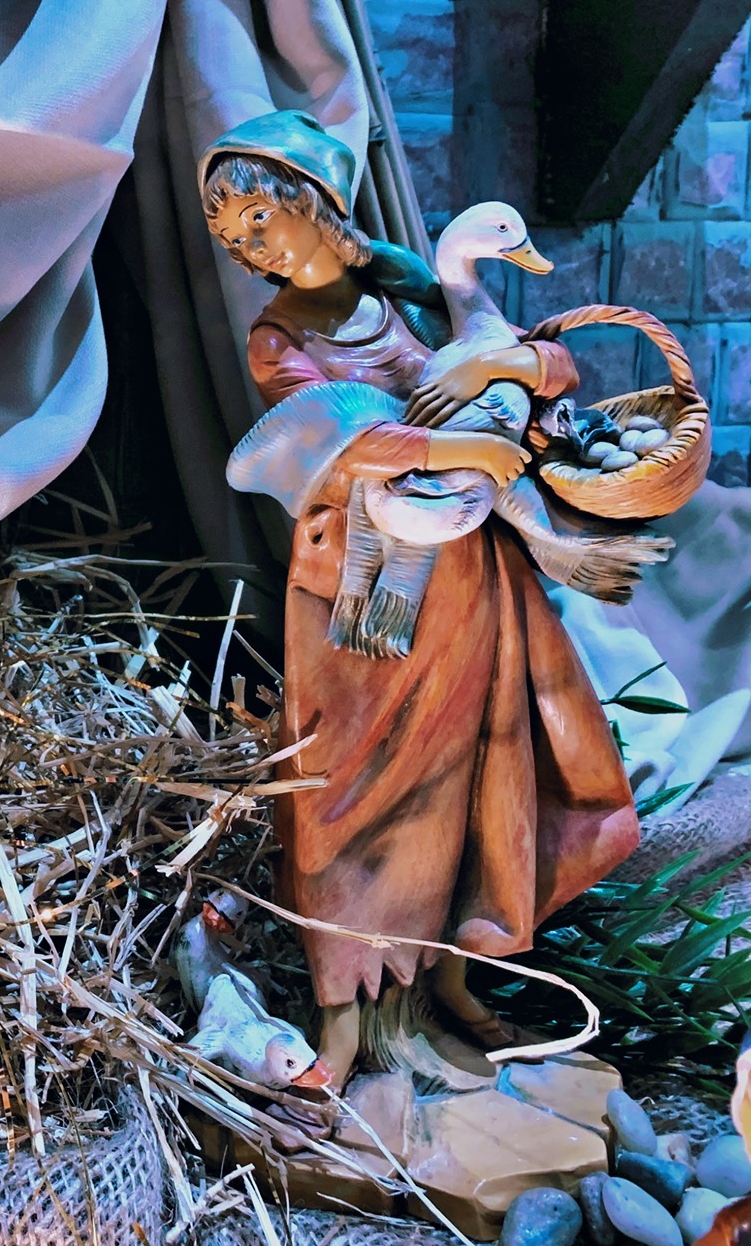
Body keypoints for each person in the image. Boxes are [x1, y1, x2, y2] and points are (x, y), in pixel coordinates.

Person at [205, 110, 639, 1090]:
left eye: (259, 221)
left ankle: (440, 981)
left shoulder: (401, 286)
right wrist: (471, 446)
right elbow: (343, 441)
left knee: (473, 774)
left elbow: (542, 362)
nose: (247, 247)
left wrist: (510, 374)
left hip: (470, 575)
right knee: (357, 803)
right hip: (362, 600)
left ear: (317, 206)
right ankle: (353, 1020)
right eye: (231, 237)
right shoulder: (278, 339)